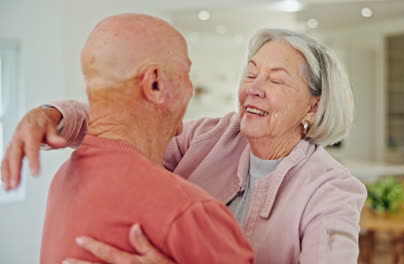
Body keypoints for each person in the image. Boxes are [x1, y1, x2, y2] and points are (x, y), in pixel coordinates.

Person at [2, 28, 367, 264]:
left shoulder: (332, 190)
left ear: (313, 106)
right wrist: (51, 116)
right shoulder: (215, 135)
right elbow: (129, 127)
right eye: (251, 73)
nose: (253, 87)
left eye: (276, 80)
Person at [37, 13, 254, 264]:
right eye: (185, 73)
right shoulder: (189, 212)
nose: (191, 89)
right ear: (155, 85)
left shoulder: (66, 177)